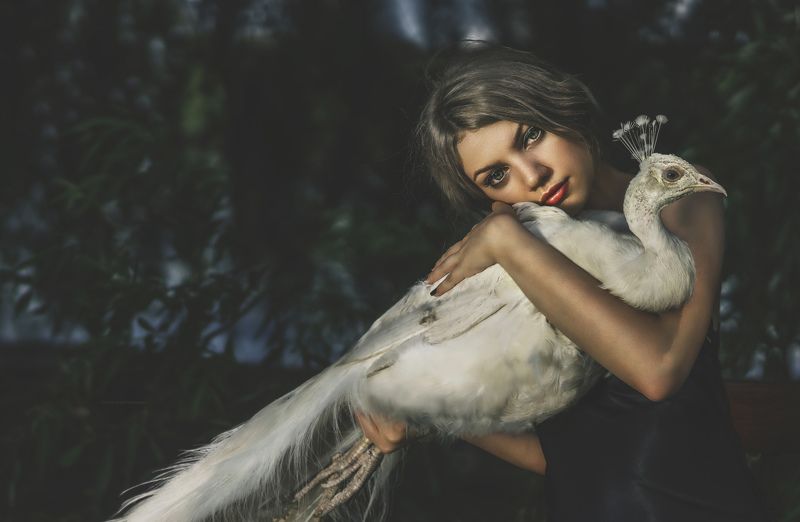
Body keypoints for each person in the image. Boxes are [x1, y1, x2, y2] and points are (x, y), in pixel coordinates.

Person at [355, 42, 772, 521]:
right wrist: (421, 407)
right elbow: (563, 457)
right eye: (497, 175)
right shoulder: (526, 263)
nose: (533, 175)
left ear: (563, 108)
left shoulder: (678, 196)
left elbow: (659, 369)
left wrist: (508, 242)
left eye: (530, 136)